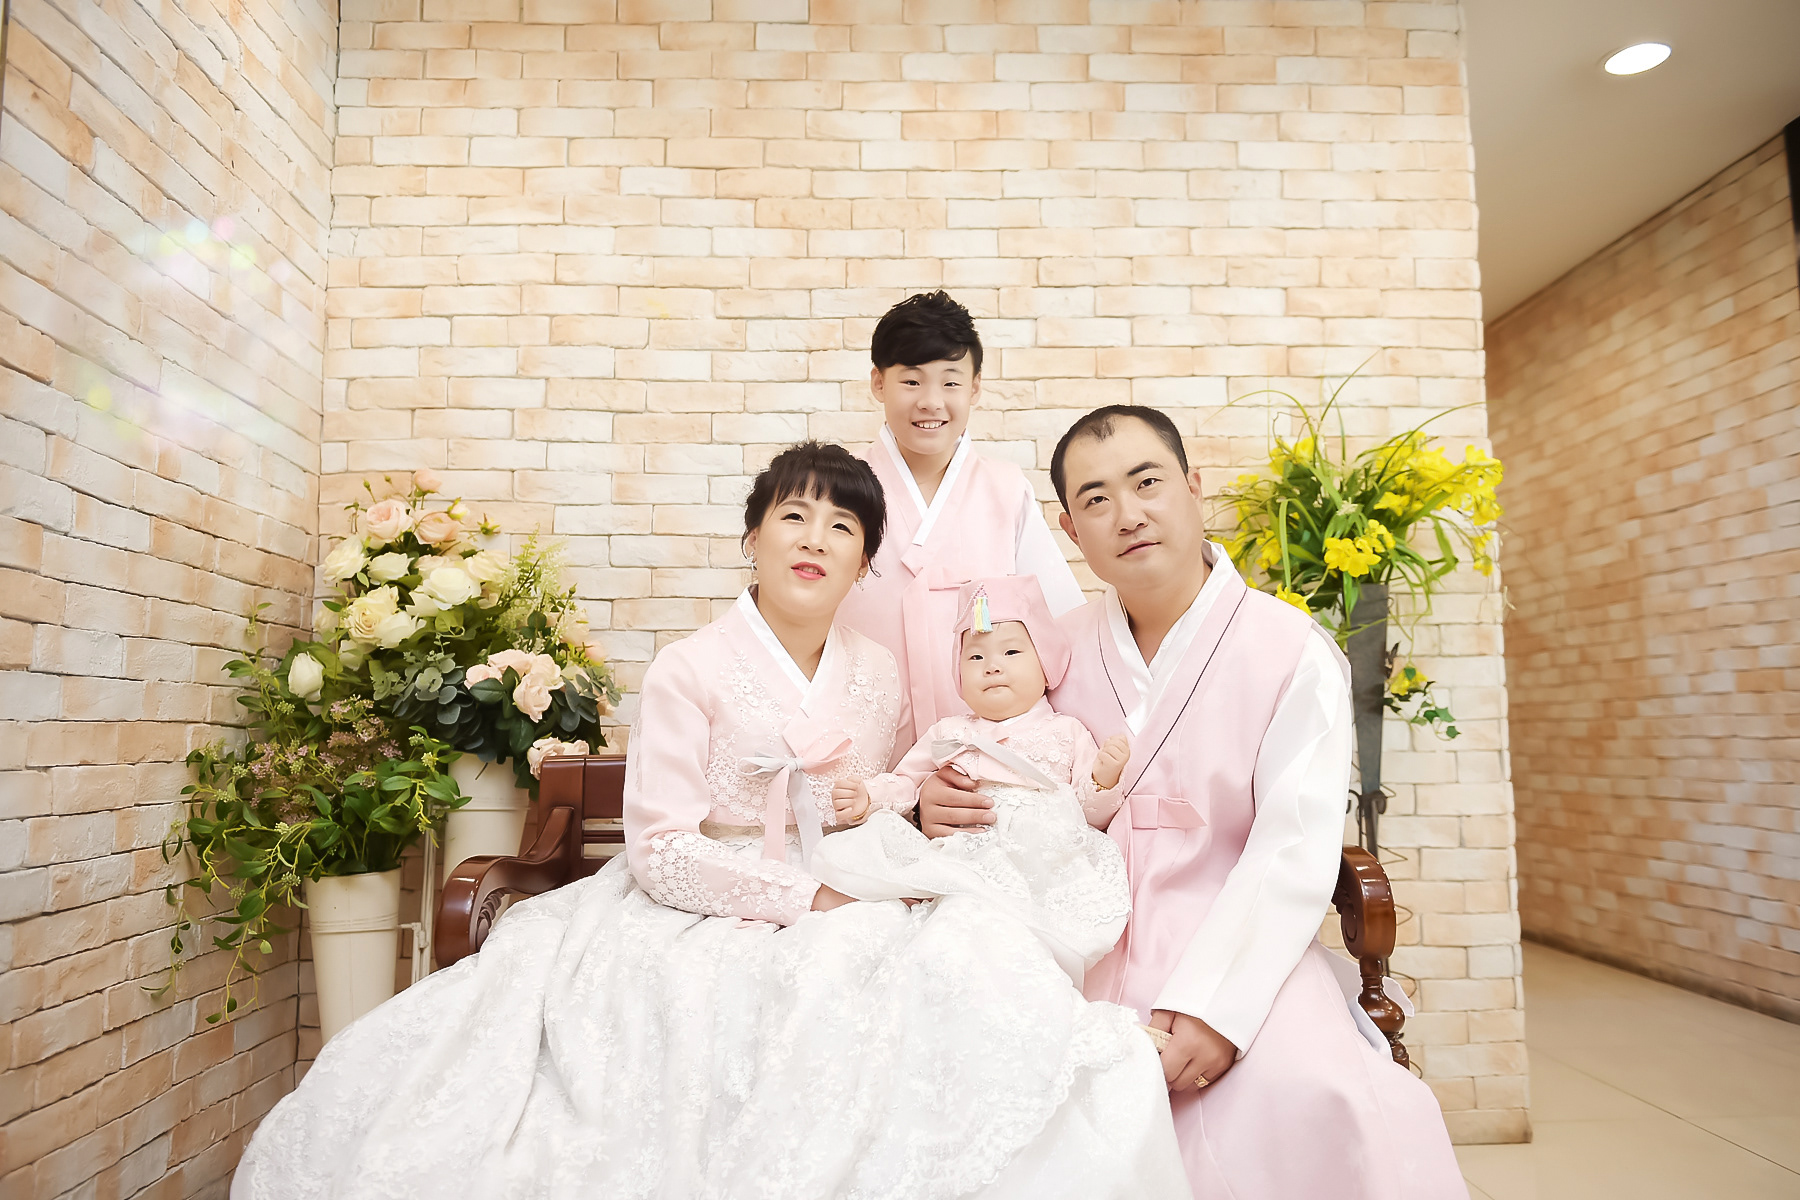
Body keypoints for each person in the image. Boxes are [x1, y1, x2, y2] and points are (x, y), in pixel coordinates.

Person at [231, 442, 1188, 1200]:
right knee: (735, 999)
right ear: (754, 536)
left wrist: (901, 804)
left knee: (971, 957)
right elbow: (659, 848)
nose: (816, 538)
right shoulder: (688, 667)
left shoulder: (880, 673)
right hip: (704, 898)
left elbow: (886, 787)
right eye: (794, 516)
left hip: (859, 879)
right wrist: (806, 897)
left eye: (844, 526)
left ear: (865, 563)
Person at [918, 406, 1469, 1199]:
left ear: (1193, 486)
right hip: (1069, 926)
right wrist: (937, 800)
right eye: (1097, 499)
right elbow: (987, 747)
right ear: (1071, 529)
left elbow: (1292, 845)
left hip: (1238, 927)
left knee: (1313, 1092)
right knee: (994, 1086)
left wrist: (1217, 1009)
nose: (1128, 514)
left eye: (1147, 482)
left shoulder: (1290, 649)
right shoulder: (1050, 648)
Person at [812, 575, 1136, 986]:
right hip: (965, 858)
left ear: (1046, 664)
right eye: (976, 657)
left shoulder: (1066, 732)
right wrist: (871, 795)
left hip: (1041, 863)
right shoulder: (951, 732)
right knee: (950, 930)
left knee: (1022, 946)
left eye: (1012, 652)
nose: (992, 666)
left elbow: (1087, 814)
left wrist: (1103, 779)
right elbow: (908, 780)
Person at [835, 291, 1085, 761]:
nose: (931, 402)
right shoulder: (838, 490)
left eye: (950, 382)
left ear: (974, 388)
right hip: (861, 749)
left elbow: (1059, 626)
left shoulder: (1006, 491)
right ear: (878, 382)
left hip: (986, 762)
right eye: (911, 381)